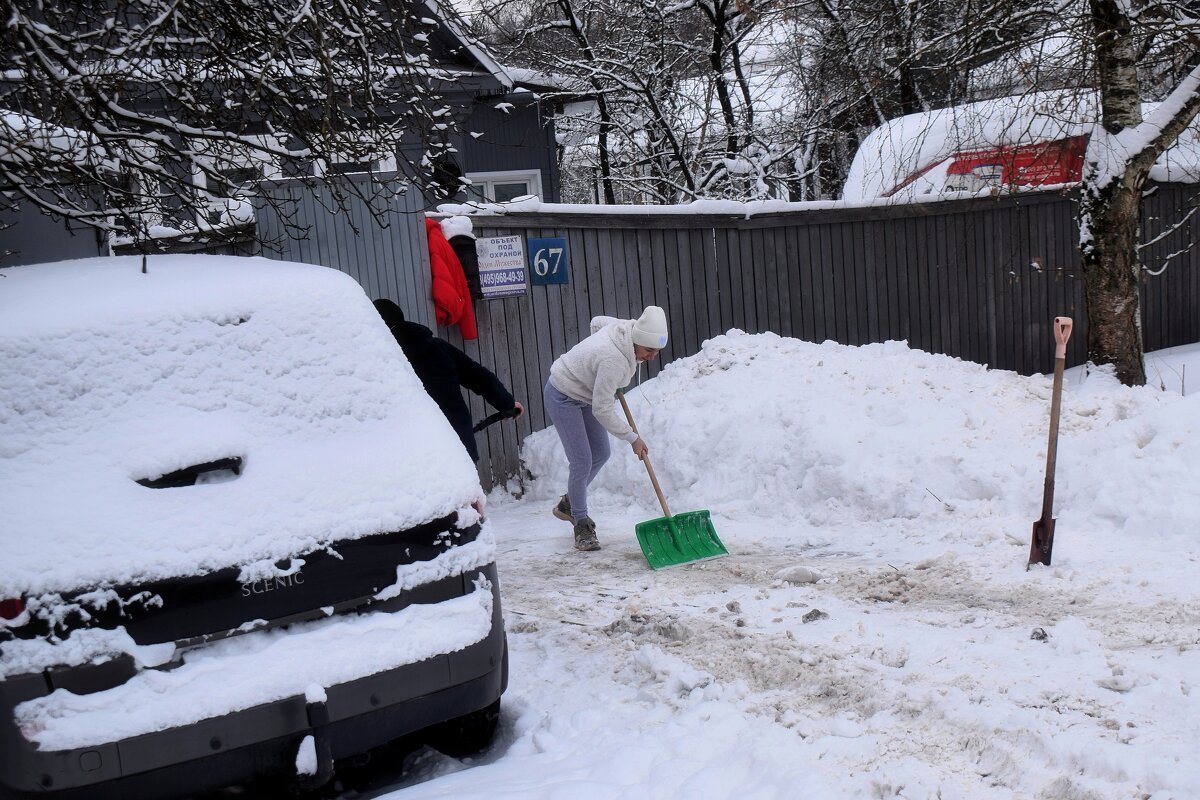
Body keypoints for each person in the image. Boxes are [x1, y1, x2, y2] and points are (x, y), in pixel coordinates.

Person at [544, 306, 668, 551]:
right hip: (563, 394)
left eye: (657, 351)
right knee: (582, 460)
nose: (653, 356)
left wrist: (603, 378)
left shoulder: (627, 328)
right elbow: (602, 410)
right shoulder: (613, 361)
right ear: (637, 340)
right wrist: (633, 438)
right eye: (649, 350)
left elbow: (597, 322)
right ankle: (581, 522)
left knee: (601, 453)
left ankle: (569, 503)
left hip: (586, 395)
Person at [374, 299, 522, 463]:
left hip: (411, 457)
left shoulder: (380, 361)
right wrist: (507, 404)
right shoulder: (437, 347)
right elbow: (479, 377)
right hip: (457, 445)